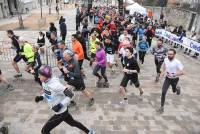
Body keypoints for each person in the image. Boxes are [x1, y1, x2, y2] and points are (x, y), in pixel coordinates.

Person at [35, 65, 95, 134]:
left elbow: (71, 94)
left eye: (40, 75)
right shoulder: (44, 82)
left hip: (60, 113)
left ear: (46, 76)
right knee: (73, 123)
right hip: (63, 112)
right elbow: (49, 93)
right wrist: (42, 97)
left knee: (44, 131)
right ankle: (90, 132)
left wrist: (60, 105)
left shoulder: (56, 86)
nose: (38, 77)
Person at [157, 49, 184, 114]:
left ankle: (177, 88)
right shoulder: (166, 59)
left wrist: (174, 74)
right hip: (167, 79)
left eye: (171, 54)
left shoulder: (177, 62)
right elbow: (164, 66)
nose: (169, 55)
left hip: (175, 79)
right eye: (168, 54)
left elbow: (182, 72)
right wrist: (163, 72)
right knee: (163, 92)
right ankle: (162, 107)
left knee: (174, 91)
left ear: (174, 54)